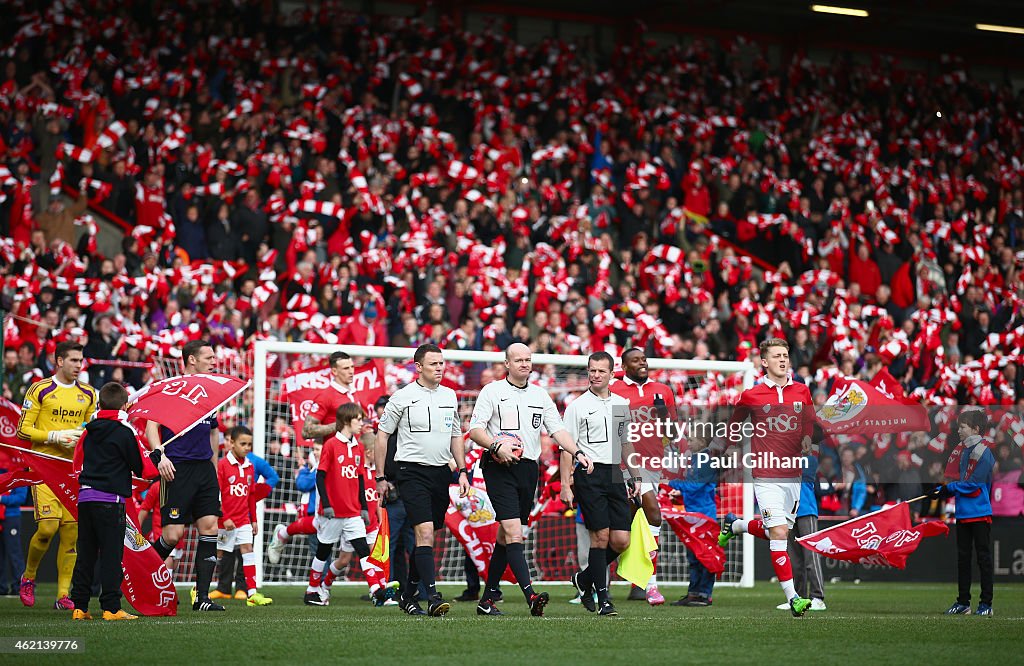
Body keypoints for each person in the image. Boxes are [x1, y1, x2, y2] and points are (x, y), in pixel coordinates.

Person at [467, 342, 593, 617]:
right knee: (513, 532)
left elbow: (557, 429)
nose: (524, 363)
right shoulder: (493, 391)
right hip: (498, 466)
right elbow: (475, 430)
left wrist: (578, 451)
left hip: (527, 469)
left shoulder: (540, 394)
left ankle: (486, 600)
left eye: (528, 359)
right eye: (518, 359)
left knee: (506, 535)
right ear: (507, 364)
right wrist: (496, 446)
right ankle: (531, 595)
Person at [718, 337, 816, 617]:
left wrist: (808, 437)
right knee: (780, 534)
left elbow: (808, 420)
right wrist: (727, 449)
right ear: (764, 362)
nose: (783, 360)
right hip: (765, 473)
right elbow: (733, 426)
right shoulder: (752, 395)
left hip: (793, 474)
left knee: (779, 530)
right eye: (776, 356)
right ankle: (794, 598)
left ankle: (736, 526)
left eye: (785, 355)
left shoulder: (802, 392)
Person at [374, 344, 470, 617]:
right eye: (433, 364)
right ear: (418, 367)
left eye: (441, 363)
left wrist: (462, 470)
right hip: (411, 471)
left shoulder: (450, 396)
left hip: (440, 472)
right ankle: (432, 596)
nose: (439, 368)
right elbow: (382, 435)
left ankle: (407, 595)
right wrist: (380, 476)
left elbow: (456, 435)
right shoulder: (402, 397)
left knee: (425, 539)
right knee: (424, 533)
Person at [16, 340, 97, 610]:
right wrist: (54, 436)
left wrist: (81, 437)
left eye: (80, 360)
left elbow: (90, 430)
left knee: (71, 534)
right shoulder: (40, 389)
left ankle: (64, 595)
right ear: (59, 361)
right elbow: (22, 430)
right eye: (73, 360)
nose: (78, 365)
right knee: (46, 529)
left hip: (73, 472)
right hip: (44, 468)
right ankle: (28, 577)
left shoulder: (88, 394)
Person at [145, 339, 225, 611]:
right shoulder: (170, 389)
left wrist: (213, 466)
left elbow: (213, 431)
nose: (214, 362)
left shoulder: (212, 393)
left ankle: (202, 598)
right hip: (175, 467)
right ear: (192, 359)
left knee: (210, 529)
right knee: (172, 535)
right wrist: (160, 457)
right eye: (209, 357)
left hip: (204, 469)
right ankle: (141, 578)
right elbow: (151, 426)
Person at [562, 351, 641, 617]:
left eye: (600, 371)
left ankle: (584, 580)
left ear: (612, 373)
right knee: (601, 537)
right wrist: (565, 485)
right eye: (591, 370)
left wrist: (635, 475)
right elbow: (565, 447)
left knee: (621, 540)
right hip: (589, 474)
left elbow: (626, 442)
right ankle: (603, 597)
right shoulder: (577, 406)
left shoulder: (621, 403)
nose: (595, 375)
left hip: (616, 475)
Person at [69, 382, 143, 621]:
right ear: (124, 405)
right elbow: (139, 467)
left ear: (99, 404)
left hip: (86, 498)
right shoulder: (125, 431)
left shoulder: (89, 430)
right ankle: (111, 608)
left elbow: (76, 462)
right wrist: (154, 457)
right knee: (111, 556)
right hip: (111, 500)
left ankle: (79, 607)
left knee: (86, 555)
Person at [610, 347, 675, 605]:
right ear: (624, 366)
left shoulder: (663, 391)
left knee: (624, 528)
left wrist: (663, 414)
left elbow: (671, 432)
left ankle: (595, 579)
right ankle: (651, 584)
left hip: (653, 463)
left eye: (644, 359)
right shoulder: (614, 390)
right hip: (625, 464)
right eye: (635, 360)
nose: (642, 363)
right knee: (653, 514)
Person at [934, 410, 995, 616]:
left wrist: (947, 490)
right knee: (963, 559)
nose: (958, 430)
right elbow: (959, 481)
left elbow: (972, 485)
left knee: (983, 559)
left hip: (979, 513)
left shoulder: (984, 452)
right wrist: (941, 489)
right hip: (963, 512)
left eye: (963, 426)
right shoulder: (963, 450)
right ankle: (963, 602)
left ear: (976, 429)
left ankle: (986, 604)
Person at [213, 426, 279, 600]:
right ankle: (199, 588)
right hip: (226, 521)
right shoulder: (222, 465)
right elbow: (216, 495)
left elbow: (250, 495)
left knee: (248, 550)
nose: (247, 448)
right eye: (243, 444)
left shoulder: (250, 466)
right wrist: (224, 517)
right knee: (218, 553)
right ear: (231, 443)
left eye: (249, 444)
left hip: (243, 520)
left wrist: (254, 520)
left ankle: (252, 594)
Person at [668, 436, 717, 607]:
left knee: (705, 555)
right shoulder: (695, 460)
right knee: (694, 556)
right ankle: (694, 593)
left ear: (702, 442)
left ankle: (704, 594)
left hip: (705, 515)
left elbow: (695, 486)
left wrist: (671, 483)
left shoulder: (706, 461)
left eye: (692, 439)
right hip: (694, 513)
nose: (688, 443)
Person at [776, 451, 826, 612]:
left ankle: (818, 597)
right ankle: (797, 597)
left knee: (811, 556)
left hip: (806, 510)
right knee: (794, 560)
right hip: (789, 511)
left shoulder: (809, 459)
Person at [301, 351, 358, 443]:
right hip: (335, 454)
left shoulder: (353, 392)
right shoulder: (326, 396)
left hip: (353, 453)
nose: (351, 371)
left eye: (352, 367)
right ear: (334, 371)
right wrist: (339, 425)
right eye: (346, 368)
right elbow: (306, 431)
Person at [0, 472, 29, 596]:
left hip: (11, 517)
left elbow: (21, 498)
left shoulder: (19, 474)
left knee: (14, 552)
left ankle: (19, 586)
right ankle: (1, 586)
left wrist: (2, 499)